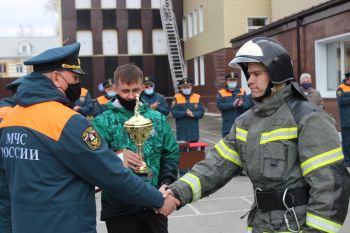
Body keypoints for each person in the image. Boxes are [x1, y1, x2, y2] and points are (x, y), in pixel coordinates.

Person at [165, 37, 350, 232]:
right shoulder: (244, 123)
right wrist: (176, 193)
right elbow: (215, 166)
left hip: (296, 225)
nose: (250, 81)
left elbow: (330, 187)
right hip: (261, 224)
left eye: (256, 74)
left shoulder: (308, 119)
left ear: (276, 74)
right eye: (248, 74)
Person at [0, 43, 178, 233]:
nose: (78, 84)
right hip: (65, 224)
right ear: (56, 78)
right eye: (75, 77)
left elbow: (4, 193)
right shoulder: (66, 121)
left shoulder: (10, 120)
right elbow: (109, 171)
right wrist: (159, 199)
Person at [92, 64, 179, 233]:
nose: (132, 96)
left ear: (142, 87)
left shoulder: (157, 118)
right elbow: (95, 157)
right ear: (116, 88)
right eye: (125, 91)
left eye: (136, 90)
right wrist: (118, 157)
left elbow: (170, 153)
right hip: (119, 206)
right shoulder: (102, 121)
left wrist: (166, 183)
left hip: (154, 203)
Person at [216, 72, 252, 137]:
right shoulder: (221, 92)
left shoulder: (242, 91)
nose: (232, 82)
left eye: (234, 80)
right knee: (226, 145)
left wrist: (242, 104)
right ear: (226, 81)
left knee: (240, 145)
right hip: (227, 125)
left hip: (240, 125)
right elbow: (219, 105)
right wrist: (232, 105)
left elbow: (248, 104)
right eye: (230, 80)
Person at [171, 77, 205, 142]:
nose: (186, 89)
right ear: (181, 88)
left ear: (191, 87)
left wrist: (193, 114)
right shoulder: (176, 97)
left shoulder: (197, 97)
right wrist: (185, 113)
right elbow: (174, 112)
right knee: (182, 151)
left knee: (194, 151)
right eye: (184, 87)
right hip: (181, 133)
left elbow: (201, 112)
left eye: (188, 87)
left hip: (193, 133)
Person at [336, 71, 350, 167]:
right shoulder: (340, 88)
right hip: (346, 120)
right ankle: (347, 160)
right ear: (348, 78)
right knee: (346, 141)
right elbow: (341, 101)